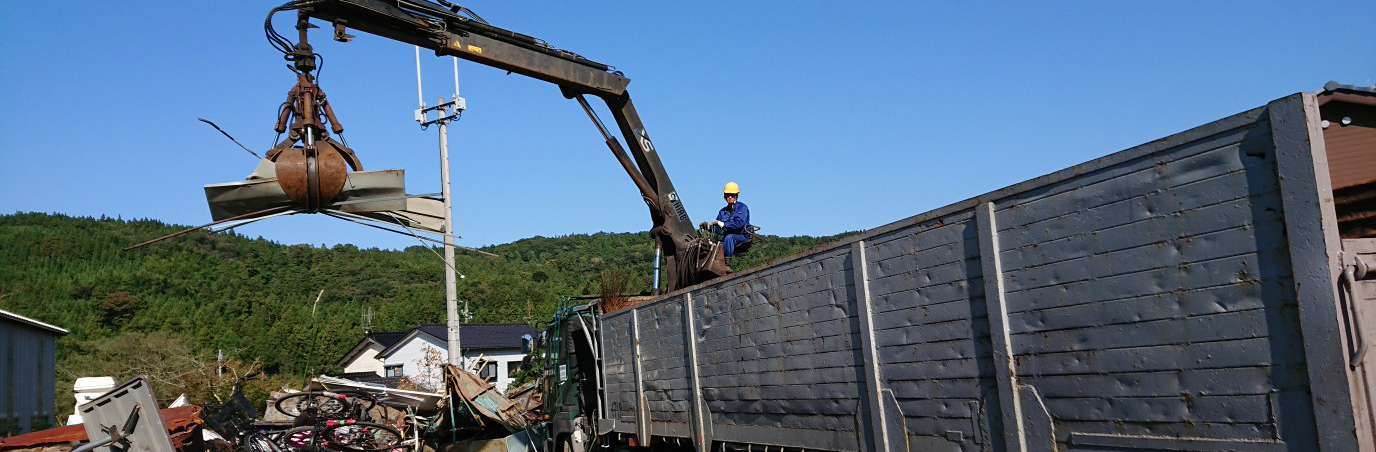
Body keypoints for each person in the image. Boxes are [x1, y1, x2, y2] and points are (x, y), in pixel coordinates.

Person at [707, 181, 750, 267]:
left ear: (736, 196)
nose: (729, 197)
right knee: (711, 244)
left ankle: (727, 265)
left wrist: (723, 224)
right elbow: (718, 228)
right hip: (727, 237)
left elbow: (739, 223)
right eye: (727, 195)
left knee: (729, 238)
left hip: (741, 235)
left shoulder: (742, 208)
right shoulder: (723, 212)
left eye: (732, 195)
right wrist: (709, 227)